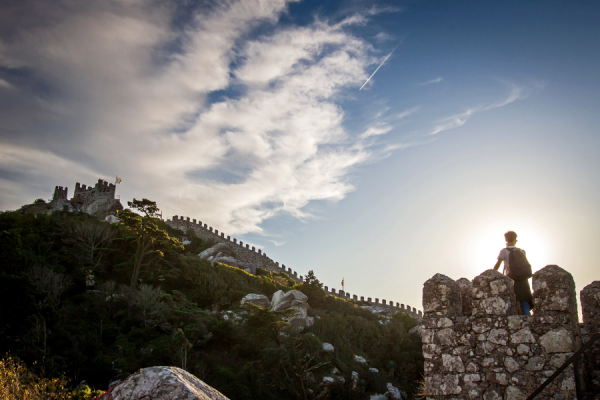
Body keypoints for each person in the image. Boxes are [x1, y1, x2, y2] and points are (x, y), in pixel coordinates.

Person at [493, 231, 533, 315]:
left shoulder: (504, 251)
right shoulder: (522, 252)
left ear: (506, 240)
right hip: (523, 280)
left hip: (511, 279)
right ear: (515, 239)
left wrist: (492, 274)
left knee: (512, 301)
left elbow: (497, 265)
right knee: (524, 302)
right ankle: (528, 322)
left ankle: (514, 323)